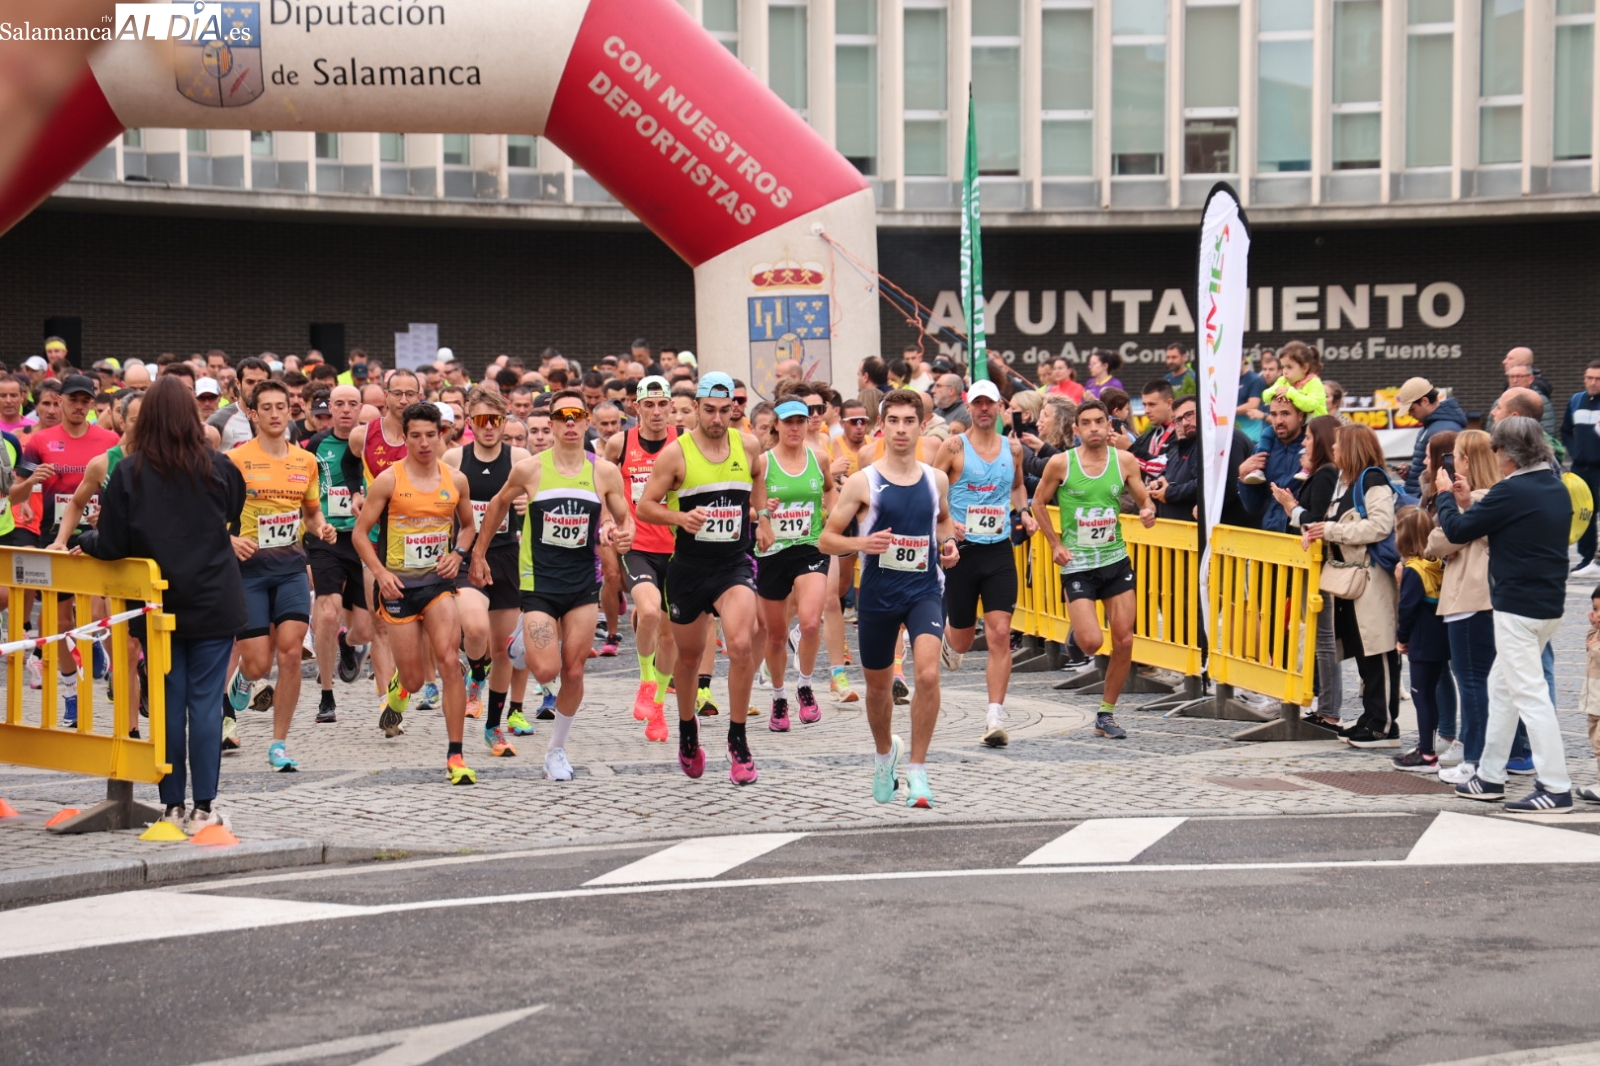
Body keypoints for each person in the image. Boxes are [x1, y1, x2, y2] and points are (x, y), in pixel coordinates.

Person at [77, 377, 245, 833]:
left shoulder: (129, 473)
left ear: (145, 417)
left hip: (156, 603)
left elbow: (112, 542)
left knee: (169, 703)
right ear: (193, 417)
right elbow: (233, 514)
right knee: (207, 704)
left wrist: (86, 539)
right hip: (212, 597)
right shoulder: (220, 467)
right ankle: (205, 808)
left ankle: (171, 805)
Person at [472, 390, 634, 779]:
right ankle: (519, 643)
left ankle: (556, 751)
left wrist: (621, 533)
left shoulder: (603, 471)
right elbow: (496, 505)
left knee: (574, 671)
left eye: (578, 415)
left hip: (581, 584)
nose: (571, 422)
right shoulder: (531, 469)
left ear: (587, 420)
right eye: (563, 416)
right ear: (554, 422)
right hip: (539, 583)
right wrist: (478, 554)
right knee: (546, 671)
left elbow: (624, 517)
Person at [819, 389, 959, 808]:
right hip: (878, 596)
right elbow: (826, 540)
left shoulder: (936, 479)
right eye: (893, 420)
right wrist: (862, 542)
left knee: (928, 675)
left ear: (921, 425)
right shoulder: (865, 482)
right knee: (878, 690)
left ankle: (917, 770)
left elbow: (944, 521)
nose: (900, 428)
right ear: (884, 426)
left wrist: (949, 544)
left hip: (924, 590)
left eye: (908, 421)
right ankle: (885, 757)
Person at [1435, 417, 1575, 812]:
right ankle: (1490, 776)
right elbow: (1499, 524)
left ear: (1509, 454)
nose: (1494, 457)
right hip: (1548, 605)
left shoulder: (1510, 491)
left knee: (1530, 696)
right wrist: (1466, 501)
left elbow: (1458, 532)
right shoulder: (1554, 486)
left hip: (1516, 607)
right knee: (1502, 689)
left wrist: (1446, 495)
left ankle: (1555, 785)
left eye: (1497, 450)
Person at [636, 372, 769, 786]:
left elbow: (759, 477)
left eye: (723, 410)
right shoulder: (676, 455)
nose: (716, 418)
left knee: (742, 643)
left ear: (734, 408)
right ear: (695, 408)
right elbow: (644, 507)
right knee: (689, 659)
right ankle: (688, 730)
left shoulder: (747, 445)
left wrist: (761, 518)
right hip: (689, 569)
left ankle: (737, 738)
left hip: (733, 564)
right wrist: (679, 517)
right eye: (707, 410)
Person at [353, 401, 480, 784]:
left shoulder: (455, 480)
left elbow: (469, 527)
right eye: (416, 436)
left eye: (431, 435)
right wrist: (379, 574)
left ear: (441, 435)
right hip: (398, 586)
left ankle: (455, 756)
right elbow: (360, 535)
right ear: (404, 438)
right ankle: (398, 692)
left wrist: (458, 554)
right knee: (413, 680)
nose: (424, 443)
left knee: (447, 661)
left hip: (439, 585)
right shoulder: (389, 480)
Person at [223, 380, 337, 771]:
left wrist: (320, 526)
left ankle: (279, 744)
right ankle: (242, 681)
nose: (275, 414)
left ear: (292, 411)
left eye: (281, 407)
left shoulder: (304, 461)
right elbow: (212, 515)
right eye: (266, 407)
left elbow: (310, 512)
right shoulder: (235, 460)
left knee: (290, 654)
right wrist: (231, 539)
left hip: (289, 568)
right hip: (249, 572)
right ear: (252, 414)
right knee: (257, 665)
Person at [1032, 398, 1158, 741]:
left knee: (1124, 639)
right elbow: (1038, 502)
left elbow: (1145, 499)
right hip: (1079, 566)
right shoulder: (1061, 464)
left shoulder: (1125, 462)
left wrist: (1148, 511)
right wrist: (1056, 544)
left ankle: (1107, 713)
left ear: (1109, 426)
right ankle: (1079, 629)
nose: (1093, 429)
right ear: (1076, 429)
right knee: (1090, 643)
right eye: (1085, 423)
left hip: (1115, 562)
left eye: (1098, 422)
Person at [1426, 429, 1531, 783]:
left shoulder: (1476, 498)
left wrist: (1446, 505)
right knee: (1494, 683)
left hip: (1470, 599)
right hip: (1489, 598)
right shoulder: (1497, 496)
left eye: (1455, 455)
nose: (1451, 462)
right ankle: (1510, 755)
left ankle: (1478, 759)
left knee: (1473, 682)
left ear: (1468, 460)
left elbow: (1440, 539)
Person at [934, 379, 1032, 746]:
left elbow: (1018, 486)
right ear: (968, 406)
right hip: (961, 551)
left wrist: (1024, 510)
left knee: (1000, 634)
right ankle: (950, 639)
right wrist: (946, 524)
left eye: (990, 403)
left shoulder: (1014, 449)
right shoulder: (953, 446)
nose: (984, 409)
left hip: (998, 550)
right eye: (977, 404)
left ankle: (994, 716)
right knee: (961, 639)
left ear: (1000, 406)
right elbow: (932, 488)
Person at [23, 373, 118, 722]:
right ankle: (70, 693)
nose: (79, 406)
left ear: (92, 404)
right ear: (59, 400)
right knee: (61, 621)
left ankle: (112, 669)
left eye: (85, 401)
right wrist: (32, 482)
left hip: (96, 536)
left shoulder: (109, 439)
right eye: (73, 399)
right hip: (55, 538)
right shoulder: (40, 441)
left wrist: (108, 515)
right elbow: (15, 495)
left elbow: (119, 486)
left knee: (98, 614)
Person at [1302, 424, 1400, 748]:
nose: (1334, 451)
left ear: (1353, 448)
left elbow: (1381, 525)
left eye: (1340, 446)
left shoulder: (1372, 480)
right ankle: (1371, 718)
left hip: (1370, 578)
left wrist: (1333, 531)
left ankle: (1383, 724)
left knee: (1378, 650)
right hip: (1352, 581)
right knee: (1363, 650)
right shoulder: (1347, 483)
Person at [444, 388, 530, 753]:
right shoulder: (453, 458)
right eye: (480, 420)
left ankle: (494, 727)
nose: (488, 427)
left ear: (504, 420)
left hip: (507, 555)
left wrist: (528, 503)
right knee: (474, 627)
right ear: (469, 421)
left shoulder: (520, 458)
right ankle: (475, 671)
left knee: (505, 649)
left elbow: (540, 503)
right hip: (466, 556)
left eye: (495, 420)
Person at [754, 398, 836, 731]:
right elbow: (749, 504)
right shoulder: (761, 463)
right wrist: (763, 515)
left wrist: (833, 519)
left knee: (811, 622)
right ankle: (778, 696)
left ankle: (804, 684)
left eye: (801, 421)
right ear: (776, 425)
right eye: (788, 422)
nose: (795, 428)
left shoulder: (819, 458)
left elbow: (830, 491)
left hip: (809, 548)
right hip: (772, 554)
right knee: (774, 636)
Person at [605, 376, 680, 740]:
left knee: (670, 638)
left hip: (680, 550)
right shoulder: (620, 444)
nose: (655, 411)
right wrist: (609, 523)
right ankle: (646, 682)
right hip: (639, 547)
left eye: (661, 404)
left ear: (671, 406)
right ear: (636, 407)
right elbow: (602, 485)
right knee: (648, 612)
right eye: (647, 405)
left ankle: (660, 708)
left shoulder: (683, 443)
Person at [303, 384, 372, 724]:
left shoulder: (372, 443)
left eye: (353, 404)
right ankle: (326, 695)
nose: (346, 410)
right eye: (339, 404)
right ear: (329, 408)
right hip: (326, 536)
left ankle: (349, 642)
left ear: (362, 408)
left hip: (363, 538)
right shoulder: (317, 445)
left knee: (365, 628)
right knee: (327, 614)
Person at [1271, 416, 1344, 726]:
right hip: (1313, 563)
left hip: (1321, 564)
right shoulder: (1320, 473)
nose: (1304, 443)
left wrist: (1290, 506)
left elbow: (1315, 520)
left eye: (1309, 439)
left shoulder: (1326, 474)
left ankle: (1329, 710)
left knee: (1325, 638)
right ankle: (1324, 705)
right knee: (1320, 637)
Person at [1392, 509, 1451, 772]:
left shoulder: (1413, 570)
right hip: (1440, 639)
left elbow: (1407, 609)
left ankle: (1426, 753)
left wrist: (1401, 638)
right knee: (1431, 697)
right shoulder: (1438, 563)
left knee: (1421, 696)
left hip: (1421, 641)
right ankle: (1429, 745)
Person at [1237, 398, 1307, 532]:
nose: (1279, 421)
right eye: (1274, 414)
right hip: (1271, 534)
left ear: (1300, 416)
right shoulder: (1262, 450)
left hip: (1304, 537)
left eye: (1285, 414)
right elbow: (1253, 507)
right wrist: (1243, 477)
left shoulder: (1312, 448)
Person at [1395, 377, 1467, 497]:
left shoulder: (1443, 429)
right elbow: (1429, 466)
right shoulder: (1432, 426)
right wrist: (1411, 473)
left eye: (1412, 409)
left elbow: (1448, 471)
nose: (1410, 414)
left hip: (1429, 500)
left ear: (1425, 401)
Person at [1561, 359, 1600, 577]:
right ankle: (1586, 559)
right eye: (1589, 378)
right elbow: (1566, 430)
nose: (1593, 383)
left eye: (1598, 379)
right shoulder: (1576, 400)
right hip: (1580, 468)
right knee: (1584, 513)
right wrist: (1575, 451)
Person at [1149, 394, 1200, 521]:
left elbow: (1203, 483)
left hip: (1194, 531)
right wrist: (1156, 485)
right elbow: (1164, 476)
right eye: (1179, 420)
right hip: (1172, 531)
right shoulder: (1179, 449)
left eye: (1189, 415)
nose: (1184, 423)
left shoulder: (1205, 447)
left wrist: (1169, 493)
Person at [1576, 587, 1600, 803]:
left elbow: (1595, 650)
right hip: (1594, 699)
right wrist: (1593, 628)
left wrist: (1595, 648)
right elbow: (1589, 644)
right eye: (1595, 609)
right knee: (1596, 741)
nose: (1598, 613)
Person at [1262, 340, 1327, 418]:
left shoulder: (1314, 383)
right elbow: (1265, 396)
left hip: (1315, 427)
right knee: (1268, 430)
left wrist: (1290, 393)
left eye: (1289, 367)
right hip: (1294, 426)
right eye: (1283, 367)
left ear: (1305, 368)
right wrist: (1277, 391)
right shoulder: (1283, 381)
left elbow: (1310, 405)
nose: (1285, 372)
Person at [1236, 354, 1267, 445]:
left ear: (1243, 360)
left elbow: (1253, 404)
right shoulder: (1230, 380)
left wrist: (1230, 411)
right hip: (1233, 431)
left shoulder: (1255, 379)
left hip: (1251, 434)